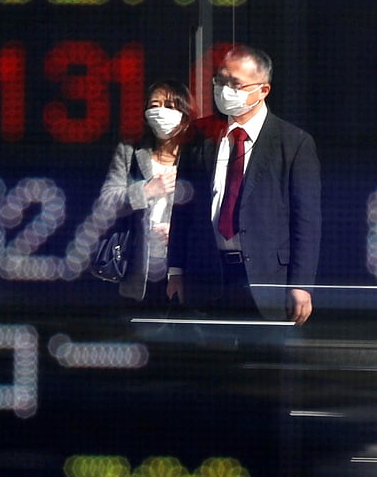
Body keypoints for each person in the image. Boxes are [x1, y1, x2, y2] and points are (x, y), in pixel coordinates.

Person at [167, 45, 321, 325]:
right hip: (207, 274)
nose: (225, 90)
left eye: (235, 84)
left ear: (263, 90)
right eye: (220, 81)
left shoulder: (293, 143)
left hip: (266, 278)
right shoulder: (198, 135)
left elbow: (306, 220)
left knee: (264, 353)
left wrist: (301, 285)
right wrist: (175, 269)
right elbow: (183, 208)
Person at [98, 80, 196, 309]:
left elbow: (211, 208)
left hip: (183, 269)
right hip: (137, 269)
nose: (161, 112)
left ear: (184, 114)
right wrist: (145, 190)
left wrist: (178, 233)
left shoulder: (196, 154)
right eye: (154, 105)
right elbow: (106, 203)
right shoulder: (130, 151)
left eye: (170, 106)